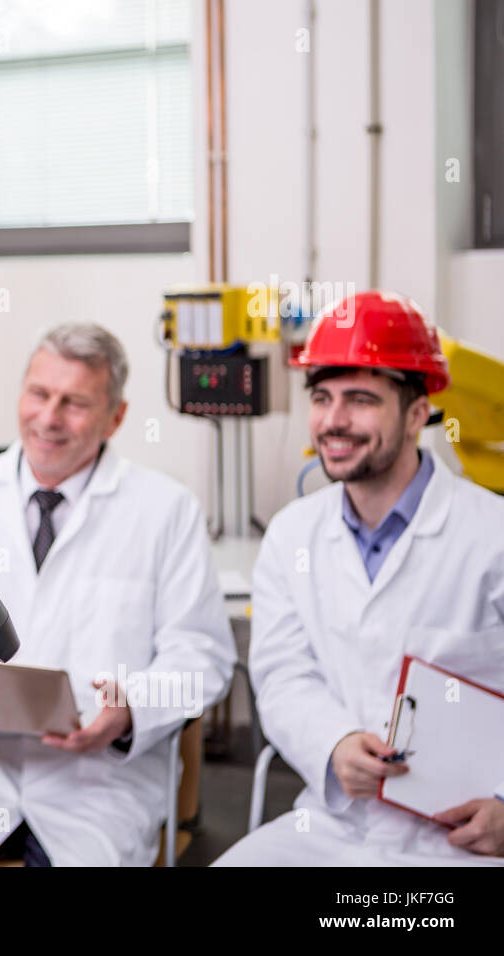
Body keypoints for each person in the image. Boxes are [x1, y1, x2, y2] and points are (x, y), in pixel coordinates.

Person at [0, 324, 235, 866]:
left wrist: (129, 710)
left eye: (75, 402)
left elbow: (204, 659)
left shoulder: (165, 510)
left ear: (117, 417)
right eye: (39, 394)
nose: (50, 417)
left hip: (98, 780)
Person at [215, 291, 504, 865]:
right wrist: (334, 744)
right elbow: (282, 674)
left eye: (360, 399)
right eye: (321, 398)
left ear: (418, 413)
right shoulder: (293, 535)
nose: (333, 421)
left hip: (465, 835)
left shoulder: (489, 533)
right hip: (334, 824)